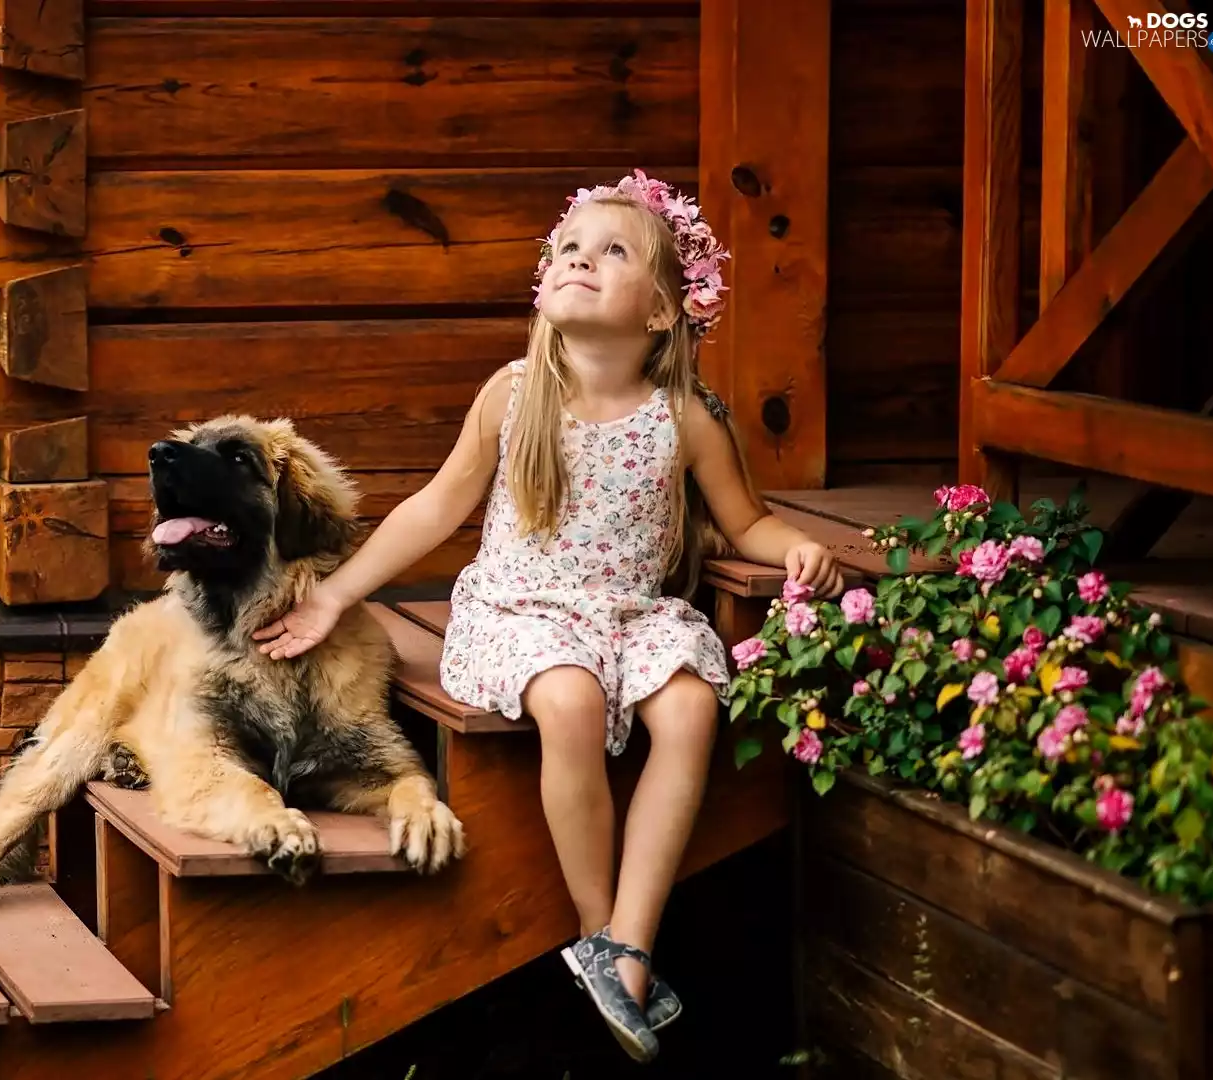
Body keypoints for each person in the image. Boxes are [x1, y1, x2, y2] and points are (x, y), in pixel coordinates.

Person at [252, 171, 843, 1063]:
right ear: (546, 284)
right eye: (569, 247)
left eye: (613, 251)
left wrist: (792, 544)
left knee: (688, 707)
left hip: (635, 614)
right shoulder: (516, 394)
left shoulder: (685, 419)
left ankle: (628, 952)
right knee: (566, 700)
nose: (580, 259)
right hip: (521, 609)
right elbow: (435, 506)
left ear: (660, 314)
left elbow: (746, 517)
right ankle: (601, 931)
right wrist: (338, 591)